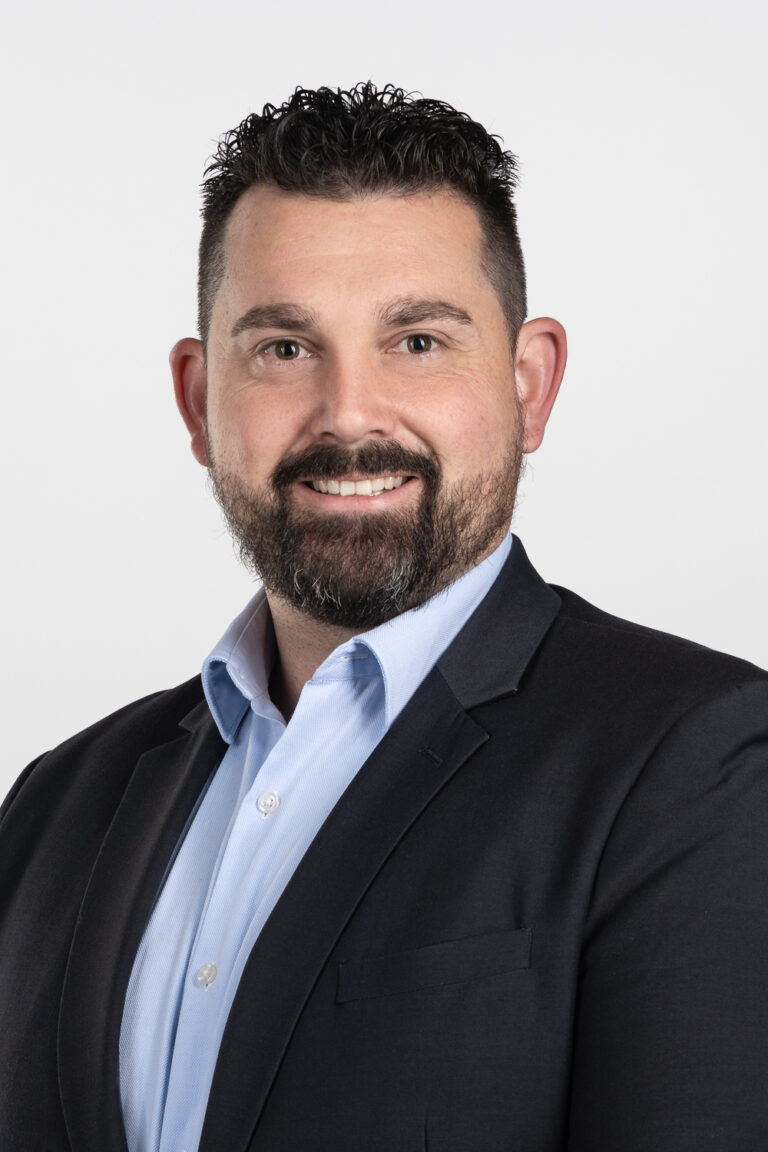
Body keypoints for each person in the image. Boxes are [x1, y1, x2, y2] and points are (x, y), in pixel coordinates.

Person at [1, 83, 767, 1152]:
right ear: (197, 401)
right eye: (281, 347)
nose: (349, 414)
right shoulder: (54, 805)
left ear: (530, 382)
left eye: (417, 342)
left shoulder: (703, 759)